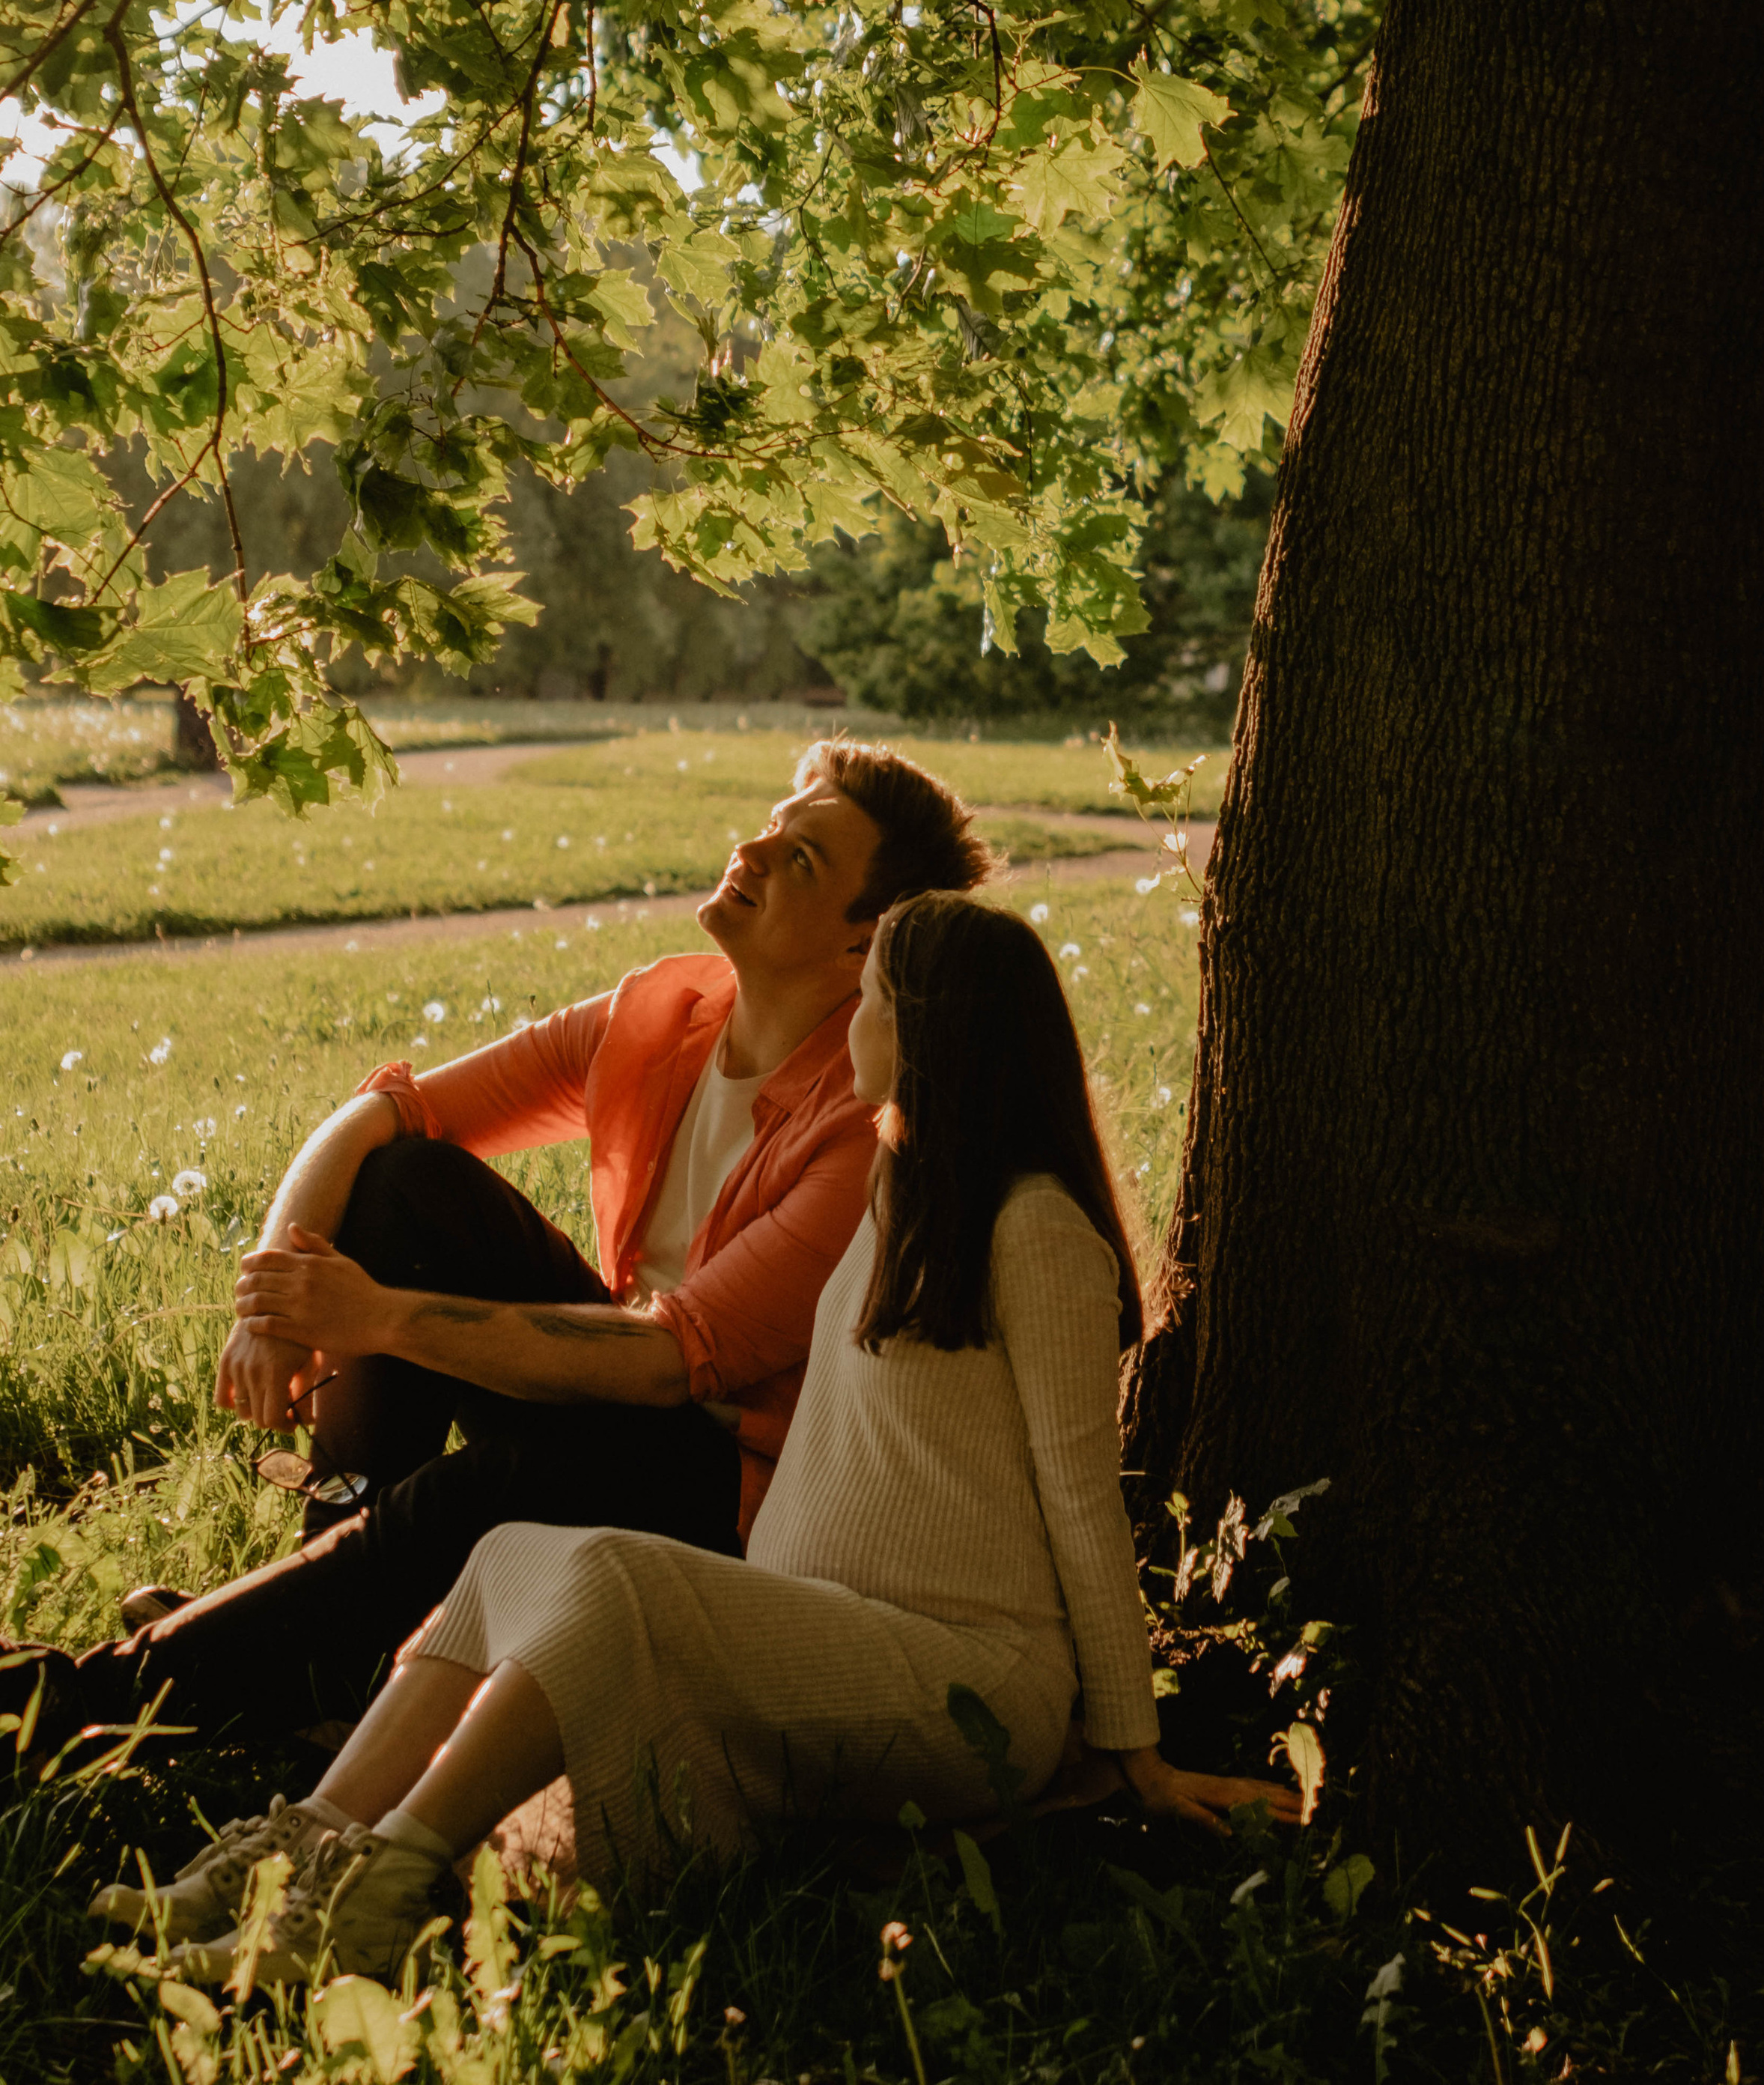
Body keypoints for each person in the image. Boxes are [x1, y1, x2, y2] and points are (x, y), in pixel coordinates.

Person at [100, 893, 1301, 1987]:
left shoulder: (1035, 1231)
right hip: (836, 1630)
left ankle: (381, 1888)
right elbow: (836, 1448)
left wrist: (1131, 1750)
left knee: (618, 1571)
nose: (852, 1022)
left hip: (973, 1676)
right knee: (515, 1552)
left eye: (873, 999)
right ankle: (293, 1853)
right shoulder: (896, 1197)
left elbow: (1087, 1506)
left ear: (932, 1030)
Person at [16, 740, 991, 1771]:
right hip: (611, 1396)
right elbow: (382, 1116)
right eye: (772, 825)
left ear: (864, 945)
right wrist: (277, 1302)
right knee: (407, 1183)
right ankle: (316, 1619)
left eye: (801, 860)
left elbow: (671, 1360)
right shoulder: (664, 1016)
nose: (752, 849)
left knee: (479, 1490)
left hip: (727, 1491)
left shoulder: (859, 1127)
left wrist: (382, 1319)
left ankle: (77, 1702)